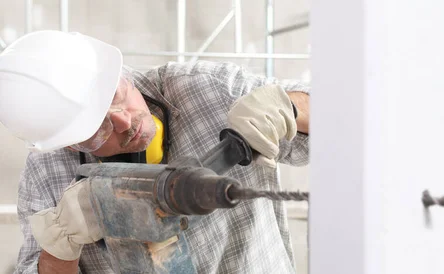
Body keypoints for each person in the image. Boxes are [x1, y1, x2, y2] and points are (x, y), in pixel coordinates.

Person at [0, 30, 310, 274]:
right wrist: (61, 243)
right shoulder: (46, 176)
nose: (125, 120)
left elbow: (343, 107)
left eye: (117, 94)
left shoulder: (209, 90)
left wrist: (289, 107)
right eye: (99, 127)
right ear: (69, 144)